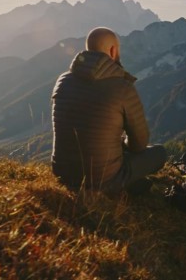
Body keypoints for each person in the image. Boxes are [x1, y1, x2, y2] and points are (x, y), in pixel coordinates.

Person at [51, 27, 166, 194]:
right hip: (102, 181)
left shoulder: (62, 81)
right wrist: (123, 146)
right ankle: (124, 187)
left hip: (63, 175)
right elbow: (139, 144)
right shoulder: (122, 87)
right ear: (113, 51)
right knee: (159, 153)